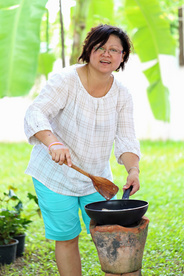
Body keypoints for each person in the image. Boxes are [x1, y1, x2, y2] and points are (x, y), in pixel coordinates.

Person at [24, 24, 141, 276]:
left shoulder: (122, 94)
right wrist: (53, 142)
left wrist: (133, 169)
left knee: (113, 237)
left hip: (95, 180)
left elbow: (126, 138)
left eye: (114, 50)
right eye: (100, 47)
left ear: (123, 57)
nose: (106, 54)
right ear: (88, 50)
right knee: (67, 238)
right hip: (54, 176)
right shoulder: (66, 80)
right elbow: (36, 112)